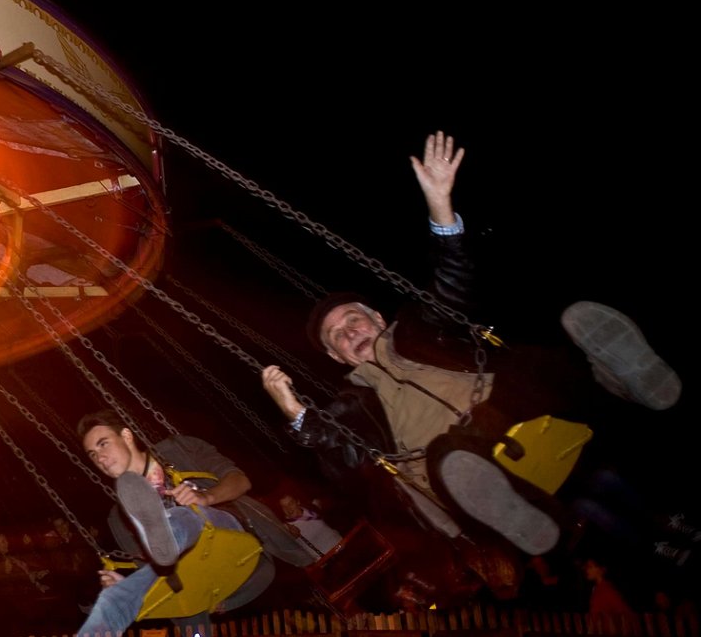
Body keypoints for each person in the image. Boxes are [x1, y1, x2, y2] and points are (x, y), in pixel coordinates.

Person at [260, 131, 680, 561]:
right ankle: (617, 537)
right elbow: (345, 458)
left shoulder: (416, 331)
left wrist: (440, 206)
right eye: (338, 337)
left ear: (379, 319)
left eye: (354, 319)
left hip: (517, 413)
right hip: (469, 465)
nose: (350, 332)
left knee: (529, 370)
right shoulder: (354, 405)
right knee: (457, 456)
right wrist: (296, 415)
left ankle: (622, 381)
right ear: (336, 357)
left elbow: (451, 284)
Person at [0, 413, 274, 637]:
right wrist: (128, 580)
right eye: (93, 454)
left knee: (185, 517)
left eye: (103, 444)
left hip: (226, 531)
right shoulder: (119, 517)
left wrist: (206, 496)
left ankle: (170, 531)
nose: (100, 458)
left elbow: (241, 480)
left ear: (128, 436)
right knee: (115, 598)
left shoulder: (179, 451)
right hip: (183, 567)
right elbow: (156, 570)